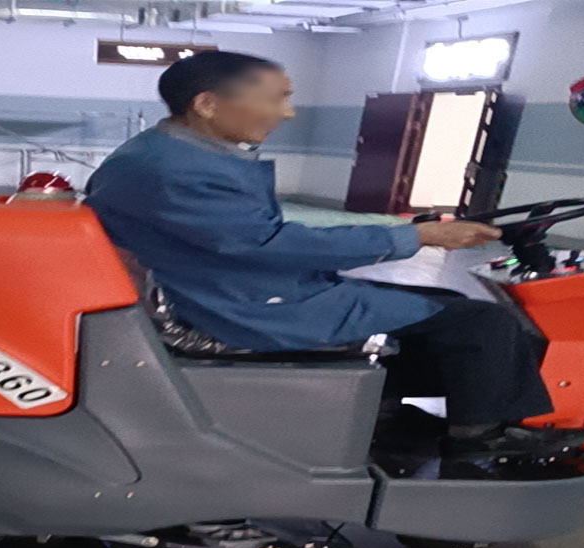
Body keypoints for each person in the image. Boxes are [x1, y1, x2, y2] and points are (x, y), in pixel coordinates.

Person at [84, 51, 555, 461]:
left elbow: (251, 237)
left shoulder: (163, 153)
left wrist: (409, 233)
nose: (286, 113)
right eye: (276, 99)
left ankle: (385, 411)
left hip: (224, 286)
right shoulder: (175, 170)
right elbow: (268, 245)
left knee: (439, 306)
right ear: (207, 104)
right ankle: (478, 440)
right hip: (238, 304)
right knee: (482, 322)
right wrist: (415, 237)